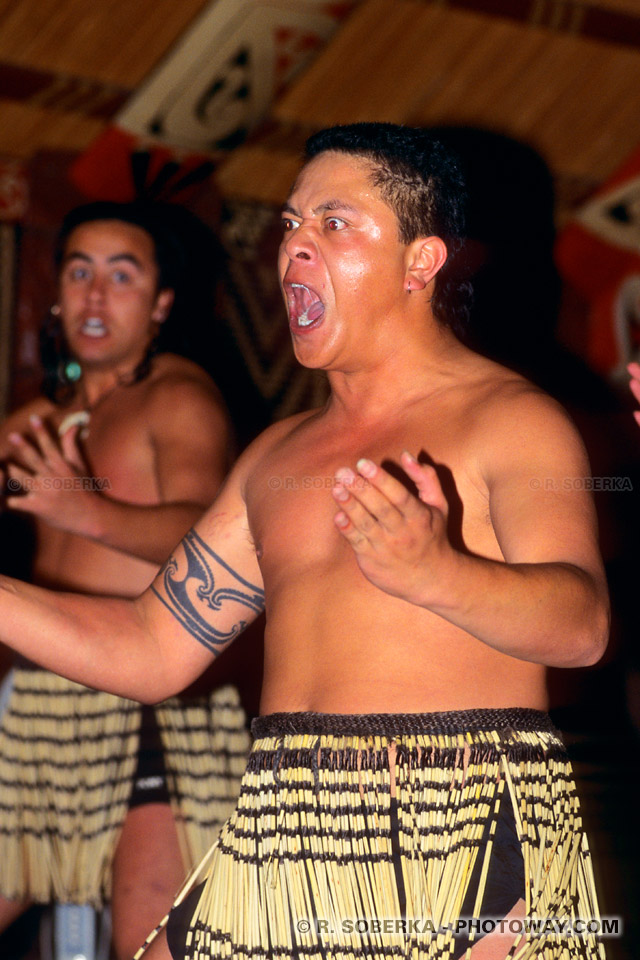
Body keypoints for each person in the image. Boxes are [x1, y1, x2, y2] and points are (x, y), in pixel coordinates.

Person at [0, 126, 609, 960]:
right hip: (281, 826)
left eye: (335, 223)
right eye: (291, 224)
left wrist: (439, 573)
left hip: (454, 831)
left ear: (421, 261)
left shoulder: (510, 420)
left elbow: (581, 624)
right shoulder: (277, 457)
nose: (296, 248)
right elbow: (150, 647)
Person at [0, 202, 250, 960]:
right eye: (79, 272)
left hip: (158, 701)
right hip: (48, 701)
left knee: (155, 942)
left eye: (121, 275)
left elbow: (216, 534)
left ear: (161, 303)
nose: (95, 296)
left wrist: (88, 513)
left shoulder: (179, 397)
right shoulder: (42, 417)